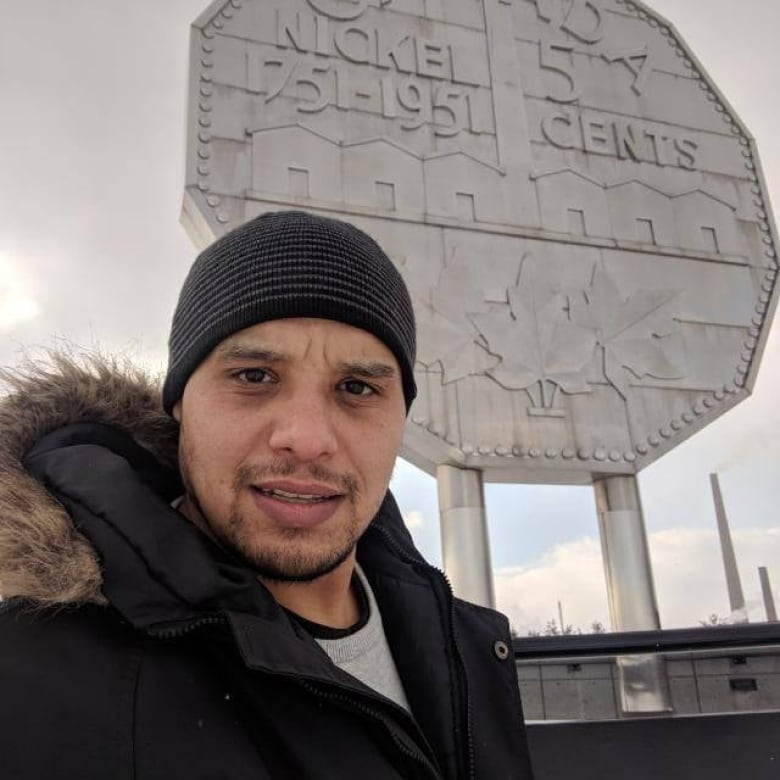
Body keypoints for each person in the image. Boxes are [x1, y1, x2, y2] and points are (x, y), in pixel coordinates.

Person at [0, 210, 534, 779]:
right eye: (255, 376)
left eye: (357, 388)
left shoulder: (472, 651)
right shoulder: (34, 678)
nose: (306, 440)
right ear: (179, 402)